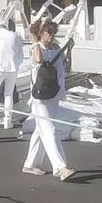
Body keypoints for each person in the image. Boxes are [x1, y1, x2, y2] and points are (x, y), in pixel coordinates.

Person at [22, 20, 76, 181]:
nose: (51, 36)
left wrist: (70, 51)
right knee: (50, 129)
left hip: (54, 94)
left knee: (41, 130)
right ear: (41, 33)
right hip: (41, 97)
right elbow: (38, 60)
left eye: (53, 32)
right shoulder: (37, 48)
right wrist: (35, 41)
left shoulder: (57, 49)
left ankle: (30, 164)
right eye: (48, 32)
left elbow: (67, 68)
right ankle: (60, 167)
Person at [0, 17, 24, 129]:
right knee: (8, 95)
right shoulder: (14, 35)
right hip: (12, 68)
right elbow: (21, 54)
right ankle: (7, 121)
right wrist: (16, 65)